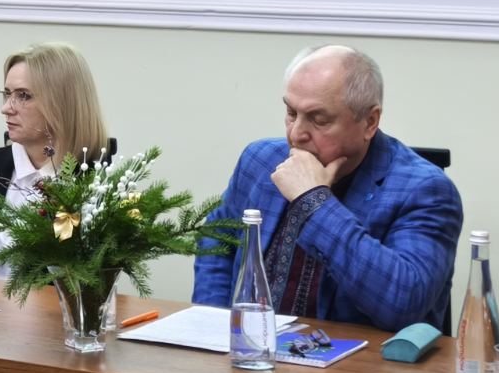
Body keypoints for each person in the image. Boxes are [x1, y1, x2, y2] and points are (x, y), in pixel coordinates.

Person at [191, 44, 463, 333]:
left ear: (370, 122)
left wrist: (314, 201)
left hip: (359, 359)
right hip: (251, 348)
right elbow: (217, 241)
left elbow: (404, 304)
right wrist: (217, 325)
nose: (296, 134)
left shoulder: (425, 190)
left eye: (319, 120)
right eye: (291, 112)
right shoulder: (259, 160)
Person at [0, 42, 109, 276]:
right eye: (7, 94)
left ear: (63, 104)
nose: (6, 108)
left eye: (23, 95)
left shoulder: (97, 185)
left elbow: (93, 284)